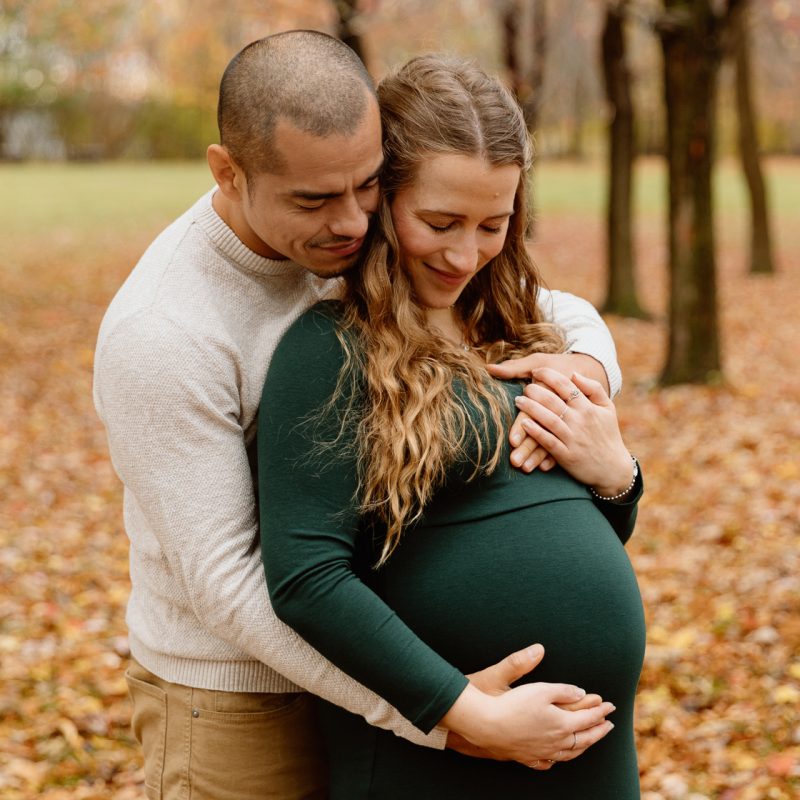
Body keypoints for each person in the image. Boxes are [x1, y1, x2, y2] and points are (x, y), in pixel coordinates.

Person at [94, 31, 624, 800]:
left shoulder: (348, 242)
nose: (349, 223)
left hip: (368, 674)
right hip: (237, 701)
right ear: (227, 172)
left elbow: (544, 306)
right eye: (314, 199)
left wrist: (587, 367)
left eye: (368, 185)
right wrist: (443, 712)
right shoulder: (164, 330)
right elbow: (227, 581)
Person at [259, 53, 646, 798]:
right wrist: (458, 711)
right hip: (440, 760)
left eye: (492, 224)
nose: (465, 253)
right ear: (384, 196)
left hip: (592, 756)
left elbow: (584, 531)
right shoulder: (330, 349)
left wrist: (617, 480)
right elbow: (305, 578)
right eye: (439, 222)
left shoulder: (526, 328)